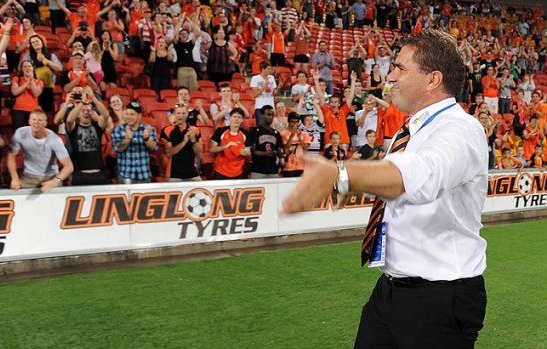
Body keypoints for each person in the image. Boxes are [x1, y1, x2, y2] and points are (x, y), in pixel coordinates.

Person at [282, 30, 488, 348]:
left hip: (440, 297)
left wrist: (342, 175)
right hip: (391, 288)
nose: (389, 76)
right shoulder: (410, 129)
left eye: (399, 68)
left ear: (433, 79)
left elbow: (422, 176)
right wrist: (352, 187)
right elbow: (402, 186)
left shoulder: (460, 129)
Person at [7, 109, 74, 192]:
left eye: (40, 120)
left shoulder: (54, 139)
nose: (36, 122)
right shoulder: (20, 133)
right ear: (29, 121)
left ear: (45, 123)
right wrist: (14, 178)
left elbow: (69, 166)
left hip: (51, 176)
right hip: (29, 176)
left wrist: (56, 181)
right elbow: (11, 155)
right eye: (34, 119)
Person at [160, 103, 203, 181]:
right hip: (174, 174)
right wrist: (184, 142)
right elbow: (168, 153)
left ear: (187, 114)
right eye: (178, 113)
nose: (181, 115)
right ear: (174, 114)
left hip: (193, 173)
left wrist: (193, 140)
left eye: (183, 113)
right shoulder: (167, 130)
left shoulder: (195, 130)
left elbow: (199, 151)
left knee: (201, 192)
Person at [209, 108, 252, 180]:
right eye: (234, 116)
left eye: (239, 117)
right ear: (230, 118)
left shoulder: (246, 134)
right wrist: (225, 146)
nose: (236, 119)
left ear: (242, 120)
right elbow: (212, 149)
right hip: (220, 171)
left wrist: (246, 153)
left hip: (238, 172)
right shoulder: (220, 131)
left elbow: (248, 153)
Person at [250, 105, 284, 179]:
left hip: (273, 170)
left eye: (272, 115)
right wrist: (265, 153)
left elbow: (280, 151)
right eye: (268, 115)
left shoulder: (276, 133)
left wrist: (280, 153)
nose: (271, 117)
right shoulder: (255, 131)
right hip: (258, 170)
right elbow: (252, 151)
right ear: (262, 116)